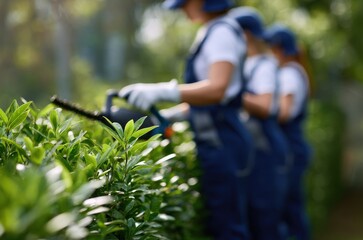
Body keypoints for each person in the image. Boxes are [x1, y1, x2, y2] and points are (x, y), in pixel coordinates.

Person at [118, 0, 254, 239]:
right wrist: (171, 115)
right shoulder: (215, 30)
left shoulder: (221, 32)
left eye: (185, 4)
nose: (183, 9)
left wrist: (164, 91)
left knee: (228, 226)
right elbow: (209, 103)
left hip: (223, 140)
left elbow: (218, 89)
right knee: (223, 220)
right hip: (217, 137)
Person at [229, 7, 290, 240]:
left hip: (266, 151)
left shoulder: (264, 65)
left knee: (266, 220)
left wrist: (229, 93)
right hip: (254, 149)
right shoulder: (245, 64)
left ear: (246, 34)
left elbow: (265, 106)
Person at [264, 24, 313, 240]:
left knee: (289, 211)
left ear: (279, 49)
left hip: (290, 149)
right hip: (295, 146)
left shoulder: (289, 74)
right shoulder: (296, 71)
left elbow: (283, 112)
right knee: (293, 209)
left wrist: (259, 106)